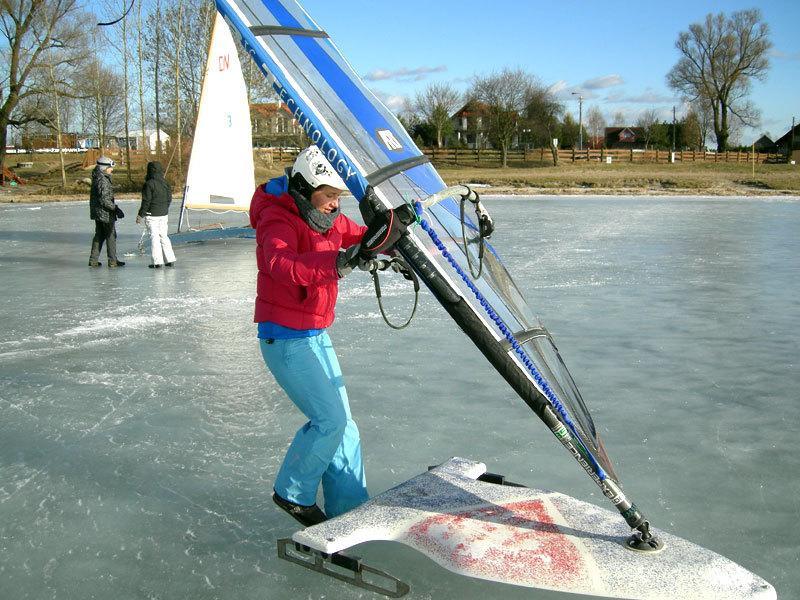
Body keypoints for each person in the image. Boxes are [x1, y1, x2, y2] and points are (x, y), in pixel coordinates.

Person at [251, 145, 388, 527]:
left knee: (344, 425)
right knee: (330, 421)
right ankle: (292, 493)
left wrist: (395, 242)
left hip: (315, 334)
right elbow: (281, 263)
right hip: (286, 339)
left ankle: (349, 510)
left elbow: (365, 236)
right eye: (328, 195)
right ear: (304, 187)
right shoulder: (277, 219)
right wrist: (339, 262)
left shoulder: (329, 220)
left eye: (337, 196)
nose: (333, 204)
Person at [136, 161, 176, 269]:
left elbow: (146, 201)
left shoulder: (149, 184)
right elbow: (169, 199)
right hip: (163, 214)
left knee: (154, 237)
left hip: (152, 215)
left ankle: (157, 262)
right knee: (163, 236)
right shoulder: (165, 183)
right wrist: (164, 208)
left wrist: (140, 215)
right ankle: (170, 259)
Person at [88, 156, 125, 267]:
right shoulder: (103, 180)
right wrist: (115, 209)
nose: (112, 170)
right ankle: (112, 260)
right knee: (110, 235)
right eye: (110, 167)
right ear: (104, 168)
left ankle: (93, 260)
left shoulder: (98, 177)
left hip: (98, 212)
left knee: (99, 235)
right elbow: (104, 199)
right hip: (105, 213)